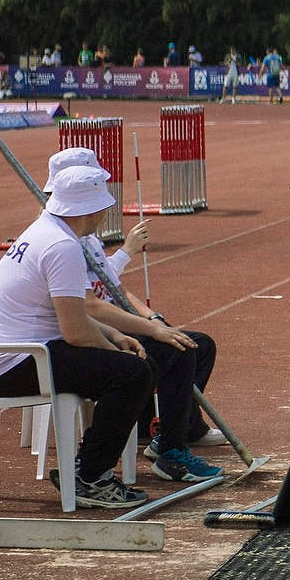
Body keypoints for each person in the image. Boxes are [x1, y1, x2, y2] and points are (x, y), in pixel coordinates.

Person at [36, 149, 225, 485]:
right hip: (48, 347)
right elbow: (90, 307)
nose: (108, 206)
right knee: (165, 356)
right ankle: (160, 451)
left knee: (191, 345)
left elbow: (112, 289)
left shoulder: (80, 238)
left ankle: (179, 429)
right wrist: (143, 331)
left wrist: (150, 319)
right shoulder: (62, 243)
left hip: (71, 335)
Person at [0, 164, 155, 509]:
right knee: (133, 374)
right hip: (19, 364)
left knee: (135, 367)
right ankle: (91, 476)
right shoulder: (62, 246)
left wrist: (116, 336)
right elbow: (75, 331)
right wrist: (115, 350)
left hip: (22, 353)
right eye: (103, 205)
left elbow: (73, 315)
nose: (107, 212)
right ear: (88, 209)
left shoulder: (48, 230)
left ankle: (87, 465)